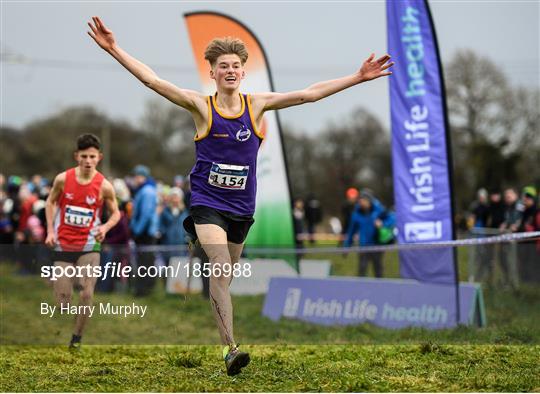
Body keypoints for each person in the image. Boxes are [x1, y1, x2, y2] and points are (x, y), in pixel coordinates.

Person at [88, 16, 393, 375]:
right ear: (213, 73)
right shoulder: (201, 106)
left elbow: (309, 94)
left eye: (235, 66)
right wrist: (113, 49)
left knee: (224, 277)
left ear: (243, 72)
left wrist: (357, 77)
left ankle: (224, 336)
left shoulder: (257, 105)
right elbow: (152, 80)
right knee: (218, 267)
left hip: (241, 209)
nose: (230, 71)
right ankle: (231, 350)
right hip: (207, 205)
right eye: (223, 66)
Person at [45, 134, 120, 350]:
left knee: (87, 292)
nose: (88, 160)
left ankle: (76, 337)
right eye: (84, 156)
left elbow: (116, 214)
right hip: (63, 243)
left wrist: (104, 228)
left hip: (89, 244)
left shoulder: (104, 185)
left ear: (99, 157)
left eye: (92, 156)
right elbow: (50, 203)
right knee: (63, 302)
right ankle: (60, 288)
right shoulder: (62, 179)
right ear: (76, 156)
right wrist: (50, 231)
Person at [344, 190, 395, 278]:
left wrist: (382, 224)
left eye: (364, 200)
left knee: (378, 270)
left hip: (377, 245)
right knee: (362, 270)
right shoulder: (356, 214)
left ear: (369, 200)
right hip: (363, 246)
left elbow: (393, 219)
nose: (362, 202)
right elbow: (351, 231)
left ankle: (380, 288)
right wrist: (347, 246)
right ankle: (361, 289)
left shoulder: (379, 210)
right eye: (360, 200)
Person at [130, 164, 159, 297]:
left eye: (137, 176)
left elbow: (145, 214)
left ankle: (143, 290)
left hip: (145, 232)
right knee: (146, 261)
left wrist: (137, 230)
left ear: (143, 177)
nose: (135, 178)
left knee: (144, 262)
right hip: (147, 231)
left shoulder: (146, 191)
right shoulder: (147, 189)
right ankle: (147, 288)